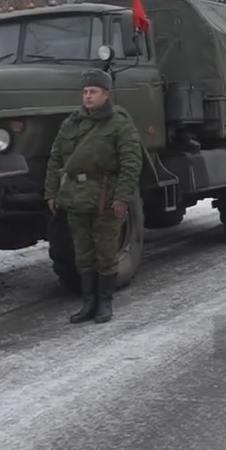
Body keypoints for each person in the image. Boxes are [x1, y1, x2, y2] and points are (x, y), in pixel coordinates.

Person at [45, 69, 143, 325]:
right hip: (75, 196)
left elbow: (131, 161)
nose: (88, 97)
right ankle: (88, 302)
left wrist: (122, 196)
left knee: (106, 251)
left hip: (104, 196)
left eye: (93, 92)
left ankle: (105, 303)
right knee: (83, 253)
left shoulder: (119, 123)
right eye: (85, 92)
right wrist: (52, 192)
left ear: (106, 94)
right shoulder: (71, 123)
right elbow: (56, 158)